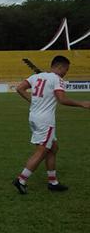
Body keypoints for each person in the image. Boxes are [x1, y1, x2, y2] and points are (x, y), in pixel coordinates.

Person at [12, 56, 90, 194]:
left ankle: (52, 182)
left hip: (34, 117)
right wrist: (82, 104)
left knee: (53, 148)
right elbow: (62, 99)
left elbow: (20, 88)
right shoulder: (57, 79)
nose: (66, 72)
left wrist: (34, 101)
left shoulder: (37, 76)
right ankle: (21, 179)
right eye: (66, 69)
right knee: (42, 151)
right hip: (45, 121)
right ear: (60, 67)